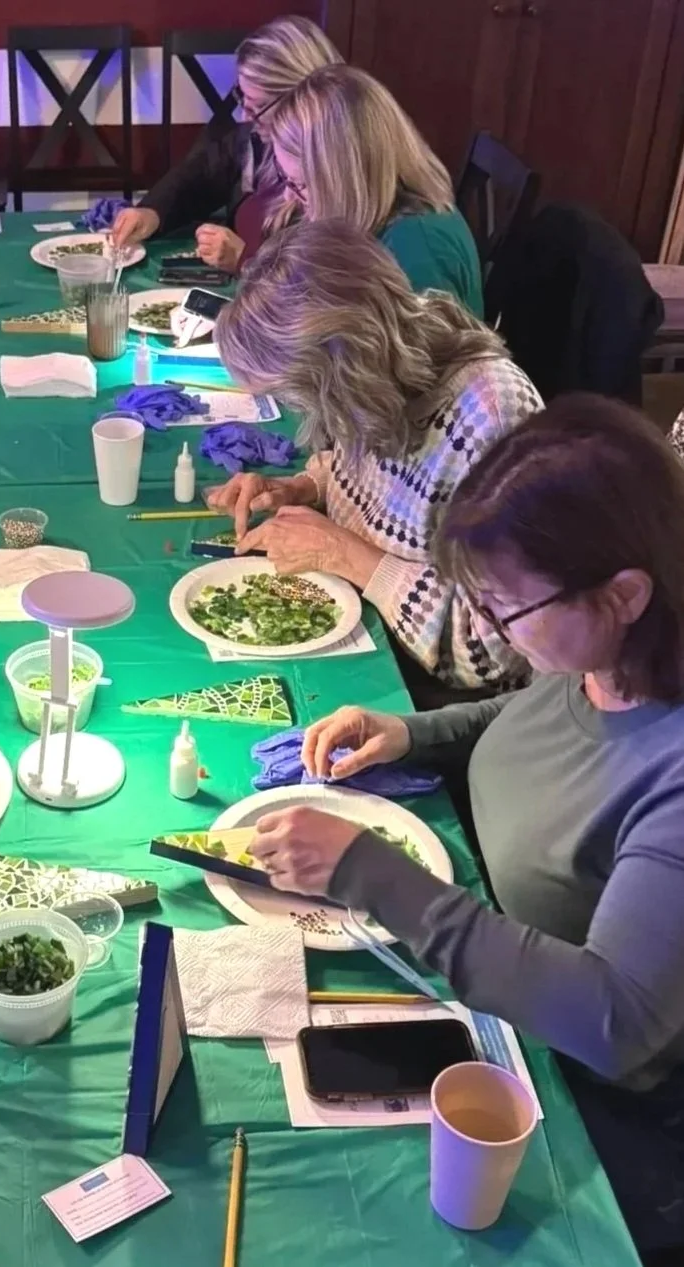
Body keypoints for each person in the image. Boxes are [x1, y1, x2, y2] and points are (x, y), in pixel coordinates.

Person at [244, 396, 684, 1264]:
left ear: (624, 593)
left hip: (576, 1091)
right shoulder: (602, 659)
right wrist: (413, 731)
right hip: (480, 970)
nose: (481, 629)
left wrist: (370, 873)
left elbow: (613, 1020)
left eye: (503, 610)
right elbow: (536, 713)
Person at [208, 220, 541, 693]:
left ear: (343, 370)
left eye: (299, 396)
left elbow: (494, 653)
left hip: (431, 696)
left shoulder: (490, 414)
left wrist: (352, 558)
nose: (300, 411)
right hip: (369, 627)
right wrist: (304, 489)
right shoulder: (383, 370)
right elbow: (373, 482)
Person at [110, 15, 341, 257]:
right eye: (243, 99)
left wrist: (244, 259)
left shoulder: (334, 173)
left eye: (257, 106)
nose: (244, 117)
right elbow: (205, 173)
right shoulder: (256, 136)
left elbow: (316, 270)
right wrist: (152, 213)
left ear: (304, 100)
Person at [258, 65, 482, 312]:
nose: (290, 195)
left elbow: (421, 350)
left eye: (300, 184)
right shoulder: (374, 217)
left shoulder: (416, 248)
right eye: (285, 178)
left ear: (344, 179)